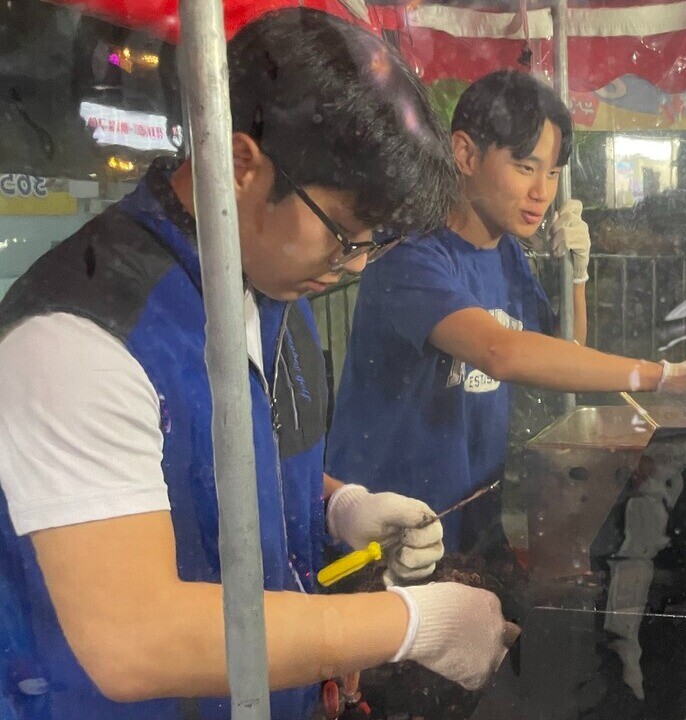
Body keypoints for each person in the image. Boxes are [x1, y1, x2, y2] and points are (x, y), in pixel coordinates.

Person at [0, 10, 516, 719]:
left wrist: (337, 505)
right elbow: (133, 635)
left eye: (371, 242)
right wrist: (412, 626)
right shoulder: (77, 337)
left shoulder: (272, 284)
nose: (353, 265)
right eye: (344, 233)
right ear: (241, 163)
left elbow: (214, 476)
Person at [326, 70, 686, 557]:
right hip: (385, 529)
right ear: (465, 154)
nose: (542, 191)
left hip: (471, 524)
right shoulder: (410, 255)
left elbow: (564, 357)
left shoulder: (507, 254)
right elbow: (501, 352)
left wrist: (578, 277)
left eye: (553, 173)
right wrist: (661, 375)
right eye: (525, 167)